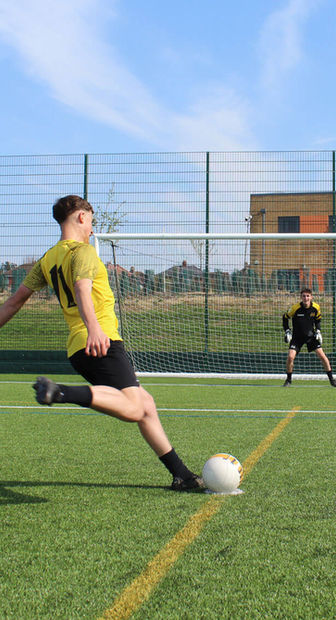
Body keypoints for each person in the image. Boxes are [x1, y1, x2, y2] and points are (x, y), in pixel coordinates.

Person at [0, 195, 203, 492]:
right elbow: (82, 290)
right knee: (134, 408)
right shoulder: (83, 252)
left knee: (145, 405)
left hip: (77, 348)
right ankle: (60, 393)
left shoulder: (47, 259)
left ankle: (181, 475)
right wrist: (95, 329)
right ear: (81, 217)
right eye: (92, 220)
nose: (93, 228)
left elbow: (14, 303)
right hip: (101, 341)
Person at [282, 287, 336, 387]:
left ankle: (332, 379)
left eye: (308, 296)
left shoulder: (316, 307)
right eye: (304, 296)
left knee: (323, 357)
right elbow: (285, 317)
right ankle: (288, 380)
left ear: (311, 297)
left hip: (310, 337)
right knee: (290, 357)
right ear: (301, 297)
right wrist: (287, 330)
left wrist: (318, 331)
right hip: (297, 338)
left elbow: (318, 320)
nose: (306, 298)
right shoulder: (295, 308)